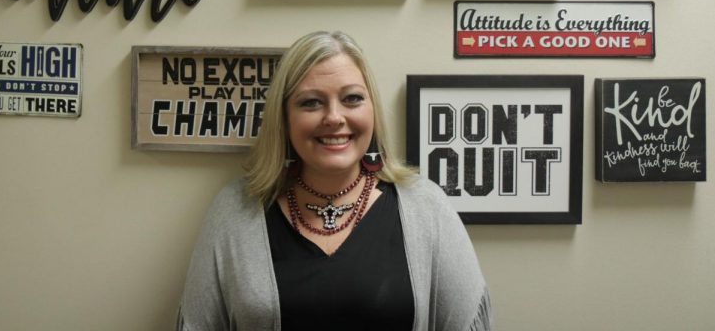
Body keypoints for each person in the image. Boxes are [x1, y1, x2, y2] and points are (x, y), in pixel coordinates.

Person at [175, 30, 491, 330]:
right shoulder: (236, 209)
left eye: (352, 98)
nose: (334, 117)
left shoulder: (425, 206)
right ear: (284, 118)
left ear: (373, 111)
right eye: (310, 102)